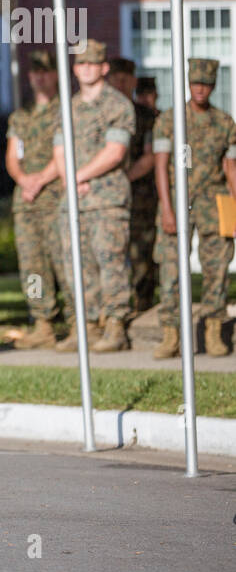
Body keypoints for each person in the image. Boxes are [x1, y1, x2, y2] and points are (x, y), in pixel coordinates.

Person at [35, 40, 134, 353]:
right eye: (81, 64)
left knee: (111, 262)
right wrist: (69, 182)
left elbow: (115, 152)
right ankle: (86, 327)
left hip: (107, 199)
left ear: (104, 67)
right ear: (74, 69)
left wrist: (80, 176)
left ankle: (116, 326)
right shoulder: (68, 106)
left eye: (93, 63)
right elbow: (60, 150)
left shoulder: (118, 105)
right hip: (74, 200)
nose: (86, 69)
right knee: (77, 265)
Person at [151, 57, 236, 358]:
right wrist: (166, 208)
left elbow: (231, 168)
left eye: (206, 84)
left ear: (213, 85)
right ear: (188, 84)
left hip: (214, 201)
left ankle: (213, 328)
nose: (200, 89)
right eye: (196, 83)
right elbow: (161, 167)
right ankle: (171, 333)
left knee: (217, 267)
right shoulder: (169, 120)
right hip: (178, 198)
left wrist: (235, 207)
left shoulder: (225, 122)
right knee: (171, 267)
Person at [6, 51, 74, 349]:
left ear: (56, 75)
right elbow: (11, 156)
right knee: (32, 266)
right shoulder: (21, 116)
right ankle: (42, 322)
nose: (40, 77)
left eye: (45, 72)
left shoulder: (66, 111)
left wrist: (40, 180)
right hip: (27, 201)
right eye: (35, 72)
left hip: (55, 198)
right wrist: (23, 181)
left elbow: (65, 155)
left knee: (64, 263)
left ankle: (76, 323)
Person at [108, 57, 160, 315]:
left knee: (143, 258)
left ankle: (143, 309)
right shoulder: (101, 113)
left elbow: (150, 158)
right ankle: (112, 312)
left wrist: (121, 179)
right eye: (114, 78)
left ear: (132, 81)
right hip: (105, 200)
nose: (119, 83)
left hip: (140, 199)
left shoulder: (147, 117)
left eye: (124, 79)